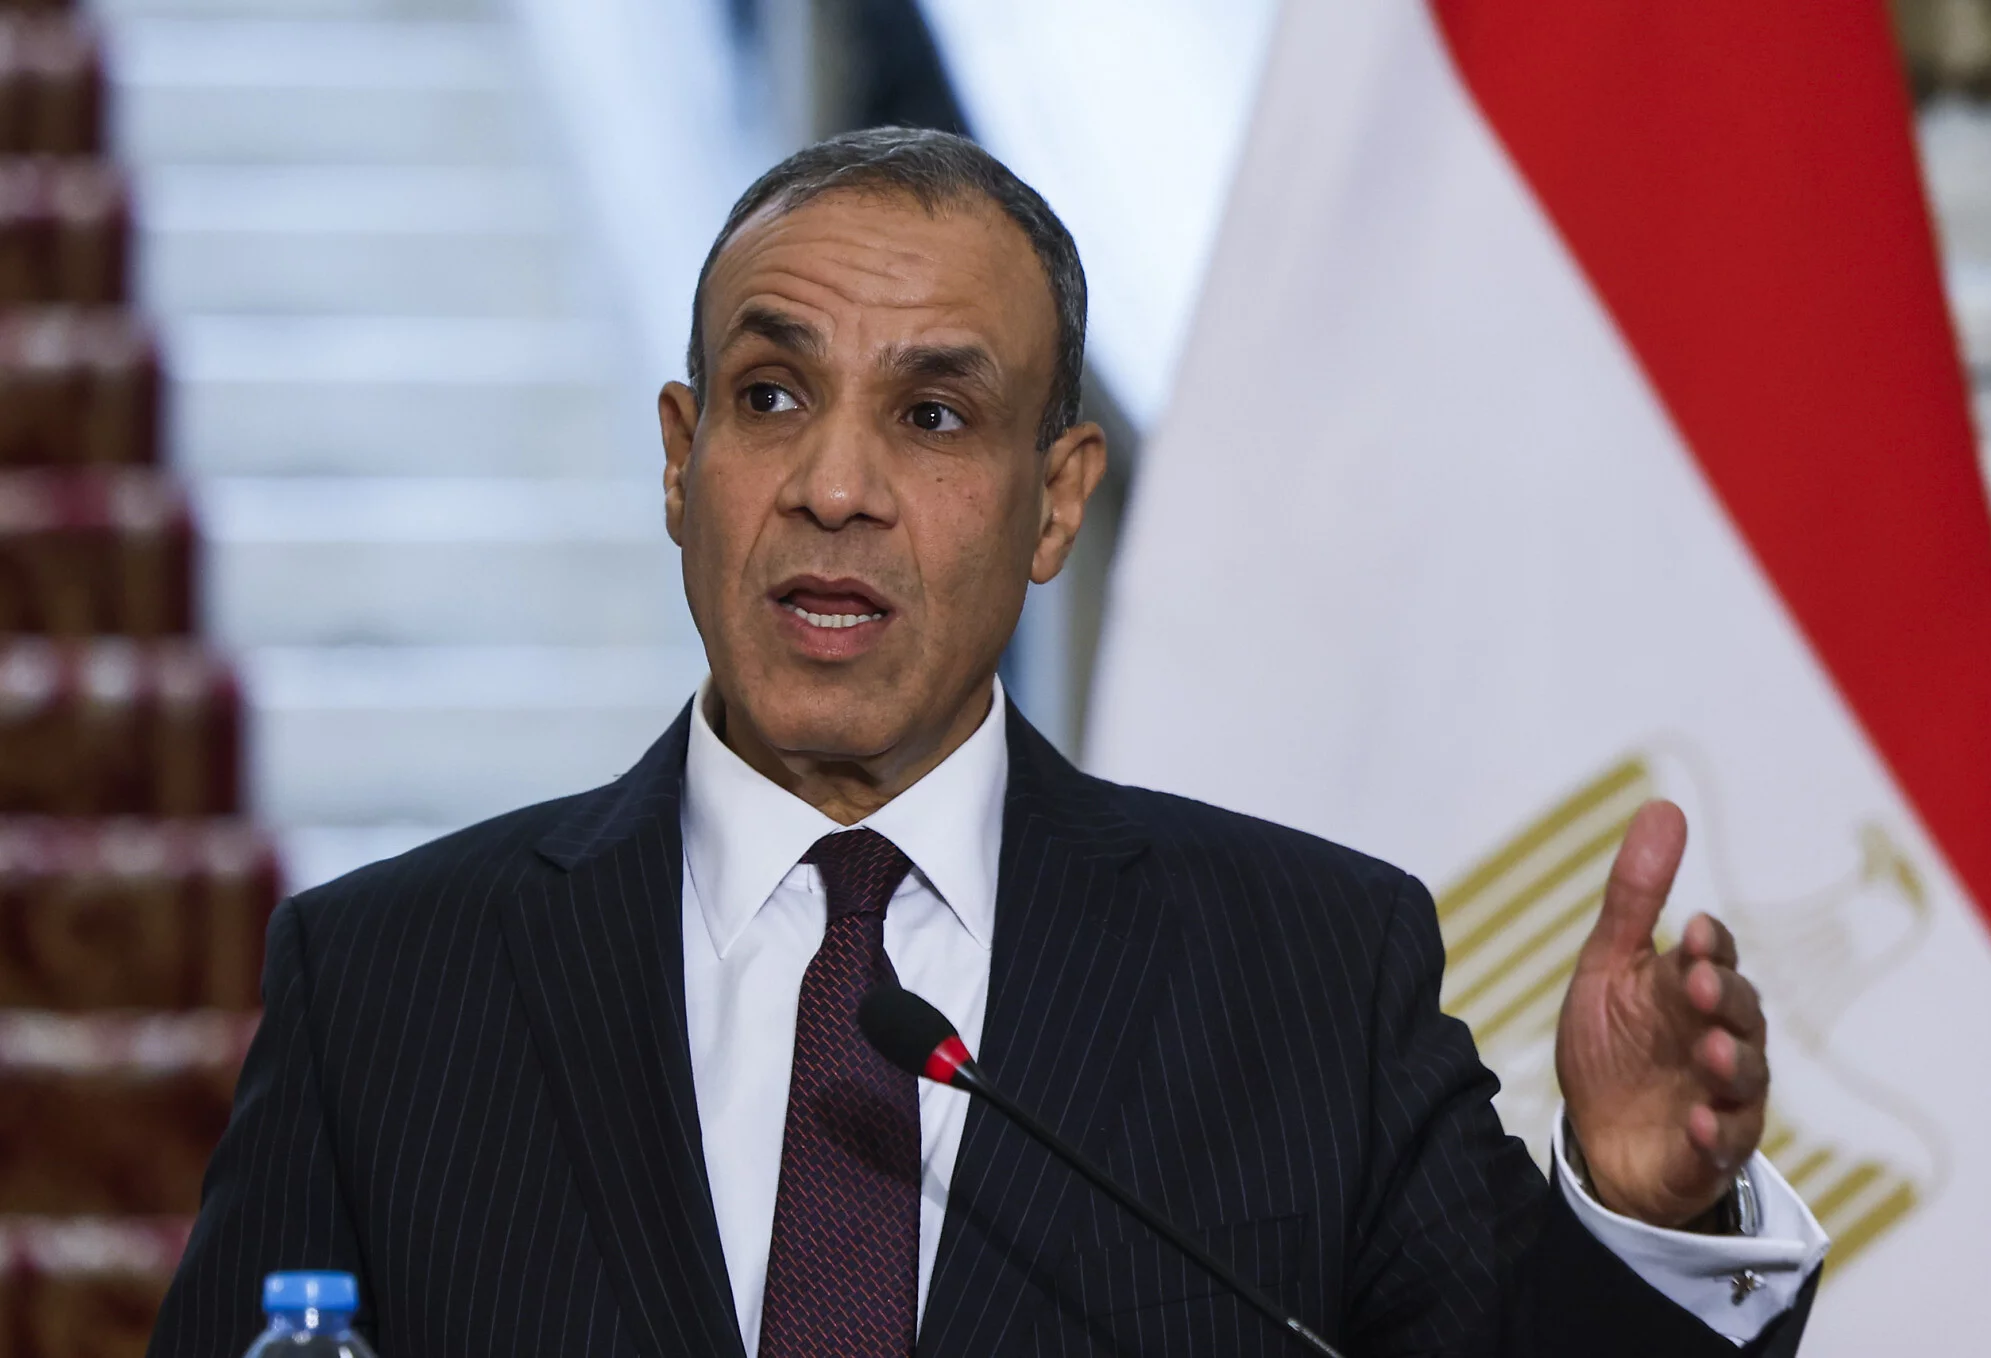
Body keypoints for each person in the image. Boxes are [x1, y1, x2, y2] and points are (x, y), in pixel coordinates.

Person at [149, 127, 1826, 1358]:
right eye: (771, 396)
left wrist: (1642, 1213)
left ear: (1059, 500)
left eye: (934, 414)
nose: (836, 485)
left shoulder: (1309, 973)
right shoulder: (389, 988)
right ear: (678, 457)